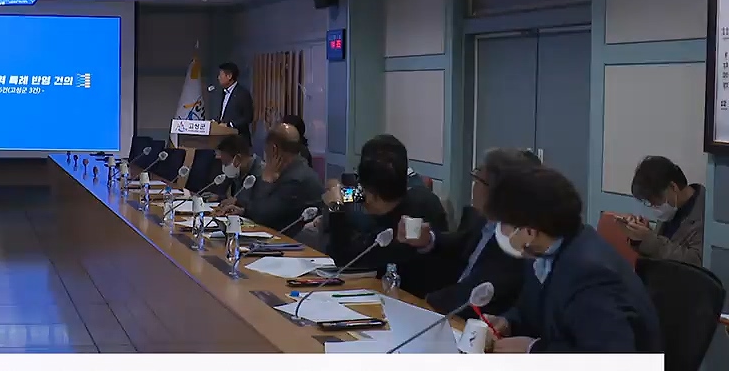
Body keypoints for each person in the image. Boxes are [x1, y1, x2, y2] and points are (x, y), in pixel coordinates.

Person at [485, 166, 662, 354]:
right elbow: (534, 309)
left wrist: (533, 350)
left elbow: (608, 360)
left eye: (504, 223)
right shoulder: (545, 250)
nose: (500, 230)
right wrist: (508, 322)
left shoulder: (590, 275)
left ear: (529, 232)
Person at [395, 148, 537, 316]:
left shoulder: (516, 243)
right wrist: (427, 240)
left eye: (478, 179)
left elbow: (473, 292)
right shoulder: (483, 220)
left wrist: (423, 303)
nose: (473, 185)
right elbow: (459, 244)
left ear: (497, 192)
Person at [326, 149, 449, 297]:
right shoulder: (408, 194)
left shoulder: (408, 223)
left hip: (411, 298)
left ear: (372, 195)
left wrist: (335, 207)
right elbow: (348, 194)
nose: (359, 195)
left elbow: (344, 259)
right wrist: (337, 191)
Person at [217, 123, 323, 236]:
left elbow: (262, 216)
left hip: (293, 242)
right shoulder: (294, 169)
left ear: (273, 149)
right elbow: (270, 209)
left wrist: (265, 180)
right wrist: (243, 211)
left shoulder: (295, 179)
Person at [619, 155, 704, 265]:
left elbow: (695, 262)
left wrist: (649, 238)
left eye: (656, 201)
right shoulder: (672, 208)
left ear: (673, 187)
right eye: (650, 202)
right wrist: (638, 236)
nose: (654, 206)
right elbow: (661, 248)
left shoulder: (704, 212)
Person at [212, 133, 263, 203]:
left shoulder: (262, 173)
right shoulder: (239, 172)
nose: (224, 167)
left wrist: (238, 203)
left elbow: (261, 204)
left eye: (226, 163)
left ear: (238, 158)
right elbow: (237, 197)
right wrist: (220, 198)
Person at [215, 62, 253, 139]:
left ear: (229, 76)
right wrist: (215, 122)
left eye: (221, 75)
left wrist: (230, 125)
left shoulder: (242, 93)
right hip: (223, 138)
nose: (218, 78)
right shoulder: (223, 92)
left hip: (239, 139)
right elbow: (223, 114)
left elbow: (248, 117)